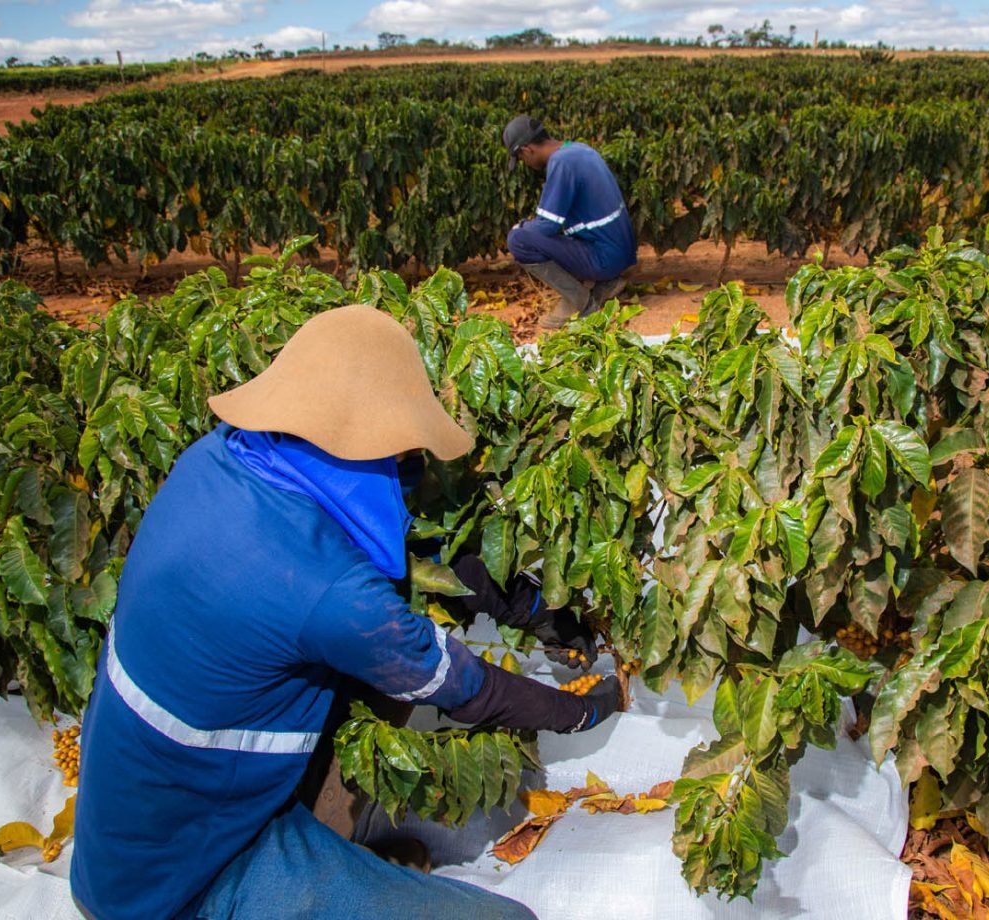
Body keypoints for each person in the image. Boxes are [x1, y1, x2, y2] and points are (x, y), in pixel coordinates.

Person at [70, 305, 622, 920]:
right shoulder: (330, 594)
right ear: (367, 448)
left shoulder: (218, 459)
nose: (407, 468)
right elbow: (461, 685)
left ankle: (336, 846)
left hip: (132, 819)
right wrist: (580, 709)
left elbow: (417, 555)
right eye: (402, 454)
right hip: (181, 880)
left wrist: (533, 611)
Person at [503, 114, 637, 330]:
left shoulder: (561, 163)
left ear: (527, 149)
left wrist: (522, 227)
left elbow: (547, 225)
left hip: (605, 257)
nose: (525, 164)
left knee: (518, 240)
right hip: (619, 253)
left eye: (520, 159)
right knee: (549, 232)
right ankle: (606, 283)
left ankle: (579, 301)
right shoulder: (577, 150)